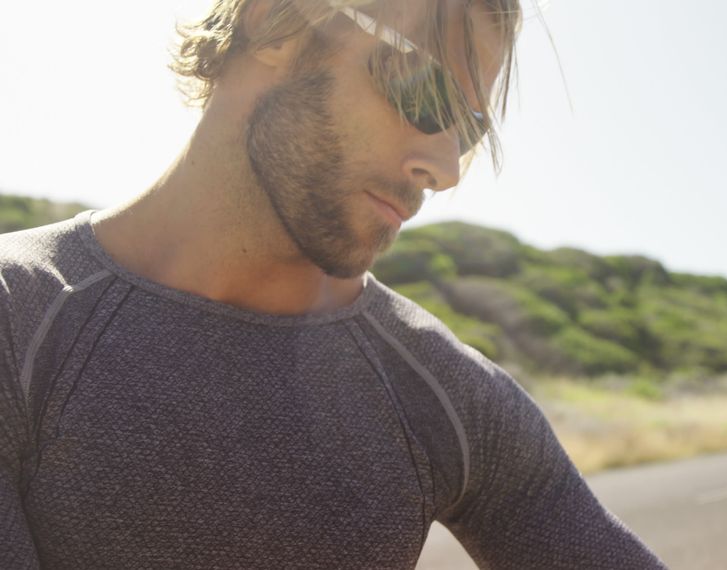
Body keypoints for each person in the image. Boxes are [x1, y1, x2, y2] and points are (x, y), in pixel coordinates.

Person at [0, 0, 666, 568]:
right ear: (279, 24)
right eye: (426, 93)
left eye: (468, 131)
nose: (444, 168)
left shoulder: (449, 396)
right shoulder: (20, 320)